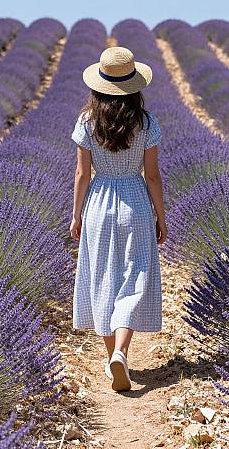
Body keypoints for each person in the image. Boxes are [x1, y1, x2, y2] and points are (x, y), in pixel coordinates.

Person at [70, 46, 167, 392]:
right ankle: (122, 353)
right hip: (136, 202)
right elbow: (153, 175)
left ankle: (113, 359)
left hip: (98, 202)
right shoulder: (147, 123)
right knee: (134, 275)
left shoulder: (87, 122)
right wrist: (161, 215)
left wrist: (76, 214)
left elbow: (82, 174)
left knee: (103, 276)